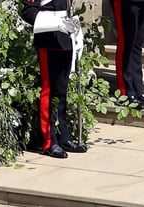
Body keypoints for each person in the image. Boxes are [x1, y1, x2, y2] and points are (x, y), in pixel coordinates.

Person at [21, 0, 87, 158]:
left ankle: (63, 136)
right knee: (48, 91)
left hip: (67, 38)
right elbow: (29, 13)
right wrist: (57, 24)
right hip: (48, 40)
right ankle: (49, 141)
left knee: (61, 91)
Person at [112, 0, 144, 109]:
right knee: (126, 46)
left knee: (137, 45)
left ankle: (139, 90)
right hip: (127, 3)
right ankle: (126, 92)